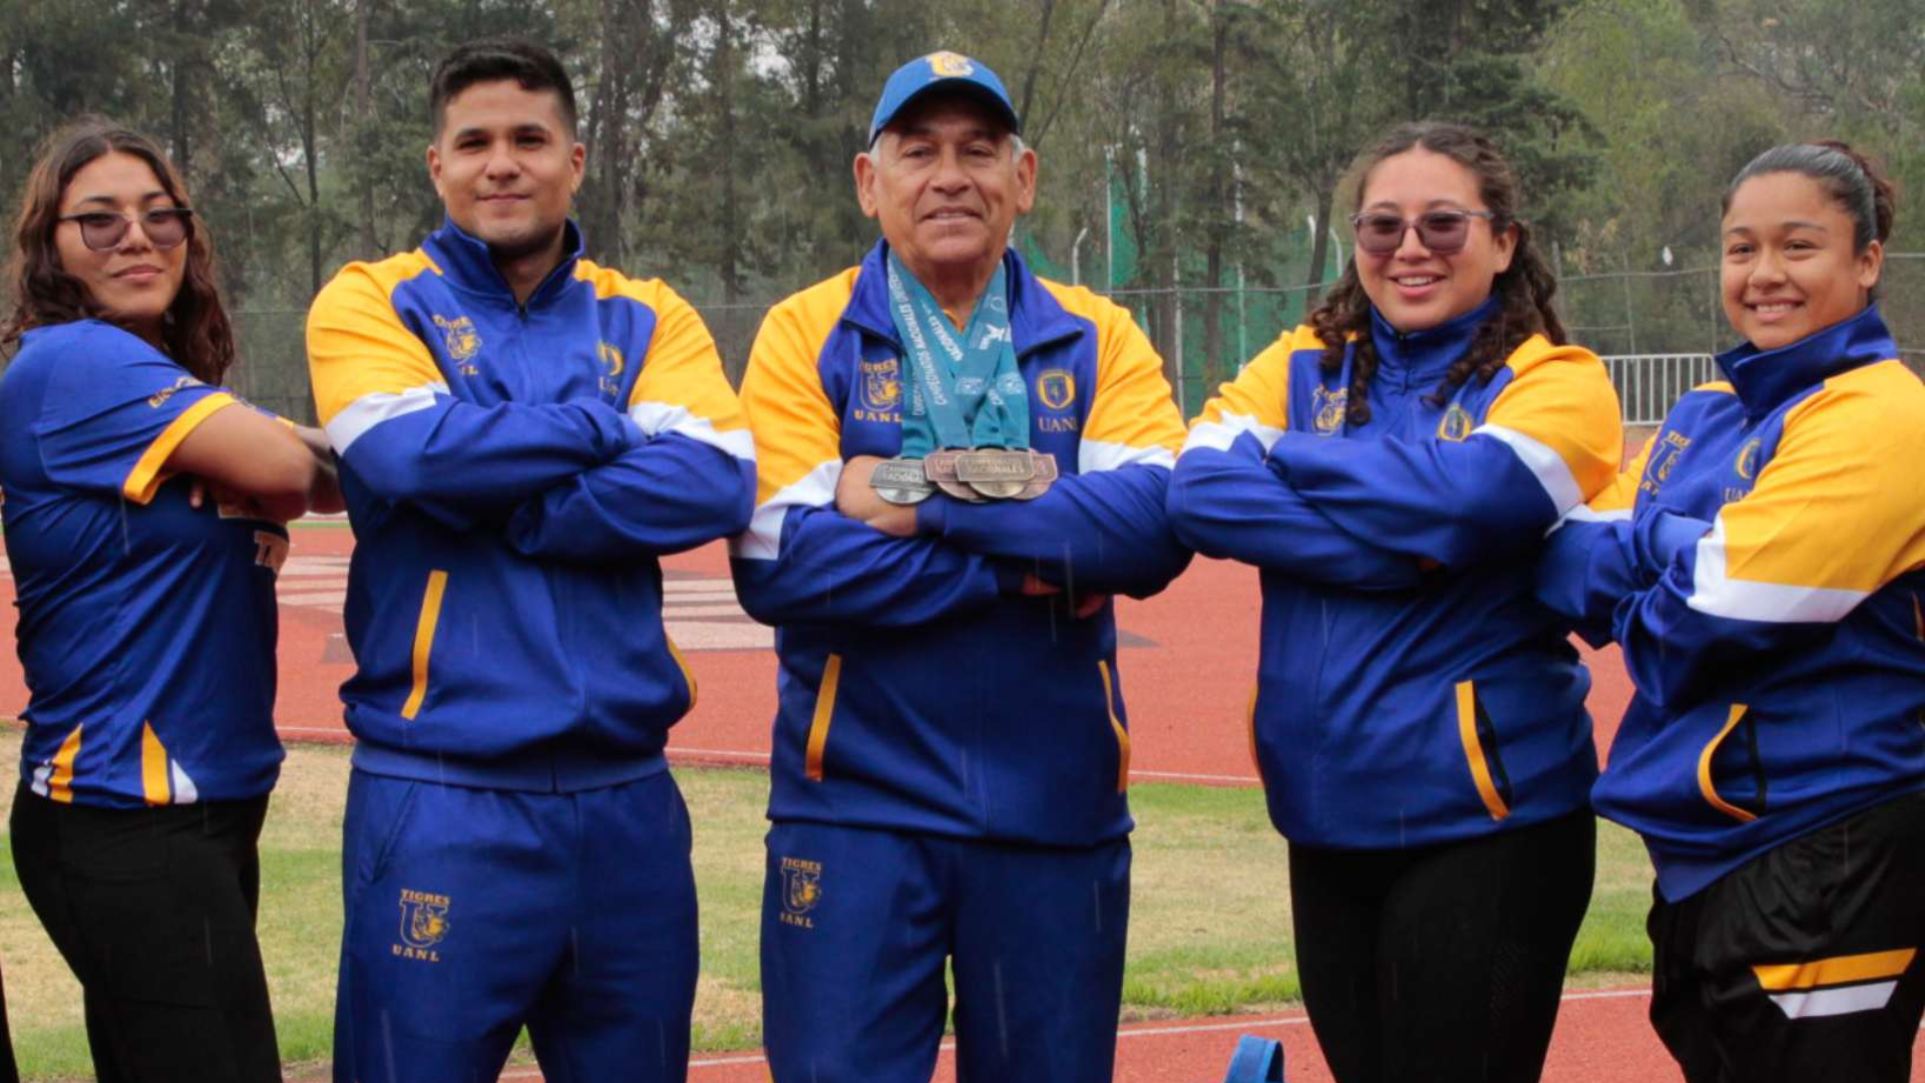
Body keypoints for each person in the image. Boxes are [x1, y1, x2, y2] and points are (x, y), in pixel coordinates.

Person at [731, 50, 1190, 1083]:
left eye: (978, 151)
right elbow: (781, 564)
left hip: (1053, 808)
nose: (950, 176)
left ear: (1021, 180)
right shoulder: (804, 334)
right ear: (868, 180)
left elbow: (1149, 530)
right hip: (852, 808)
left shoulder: (1095, 335)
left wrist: (897, 489)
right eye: (919, 151)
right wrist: (1033, 548)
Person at [304, 39, 753, 1083]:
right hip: (441, 793)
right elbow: (405, 455)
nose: (500, 163)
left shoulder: (649, 311)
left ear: (574, 159)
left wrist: (513, 505)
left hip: (626, 802)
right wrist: (606, 422)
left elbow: (715, 480)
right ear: (437, 166)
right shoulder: (372, 300)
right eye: (474, 142)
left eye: (527, 139)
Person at [1166, 122, 1622, 1083]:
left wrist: (1284, 457)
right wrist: (1398, 550)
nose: (1409, 248)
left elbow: (1472, 501)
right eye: (1382, 227)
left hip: (1486, 821)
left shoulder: (1556, 381)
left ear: (1503, 241)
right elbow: (1197, 487)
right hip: (1323, 814)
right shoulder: (1300, 362)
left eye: (1442, 223)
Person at [1535, 142, 1925, 1082]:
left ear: (1865, 262)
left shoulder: (1882, 413)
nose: (1763, 275)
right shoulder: (1705, 410)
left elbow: (1702, 621)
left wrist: (1657, 547)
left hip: (1829, 835)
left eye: (1798, 247)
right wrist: (1691, 543)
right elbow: (1563, 559)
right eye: (1739, 248)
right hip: (1706, 845)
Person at [0, 119, 338, 1083]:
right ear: (51, 247)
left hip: (204, 803)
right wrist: (288, 452)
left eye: (161, 216)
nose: (137, 238)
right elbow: (288, 470)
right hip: (125, 804)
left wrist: (287, 451)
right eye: (98, 222)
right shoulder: (74, 362)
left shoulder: (171, 387)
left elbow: (323, 478)